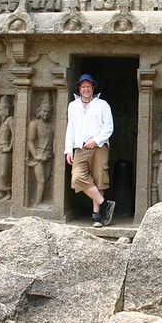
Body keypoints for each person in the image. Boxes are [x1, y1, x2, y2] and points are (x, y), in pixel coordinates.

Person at [64, 73, 116, 228]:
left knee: (99, 178)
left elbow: (109, 127)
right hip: (80, 147)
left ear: (93, 88)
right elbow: (70, 128)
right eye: (83, 87)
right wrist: (68, 150)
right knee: (77, 178)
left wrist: (96, 140)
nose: (86, 89)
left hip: (99, 146)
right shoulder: (73, 106)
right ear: (79, 89)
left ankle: (96, 216)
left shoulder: (102, 105)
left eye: (88, 86)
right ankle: (106, 205)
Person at [27, 94, 55, 206]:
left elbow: (55, 140)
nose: (46, 114)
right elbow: (30, 141)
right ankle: (37, 203)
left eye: (48, 112)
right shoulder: (34, 124)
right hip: (38, 157)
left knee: (46, 180)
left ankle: (40, 200)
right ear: (39, 111)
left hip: (48, 156)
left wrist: (54, 153)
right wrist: (35, 154)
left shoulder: (51, 126)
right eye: (44, 111)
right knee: (41, 181)